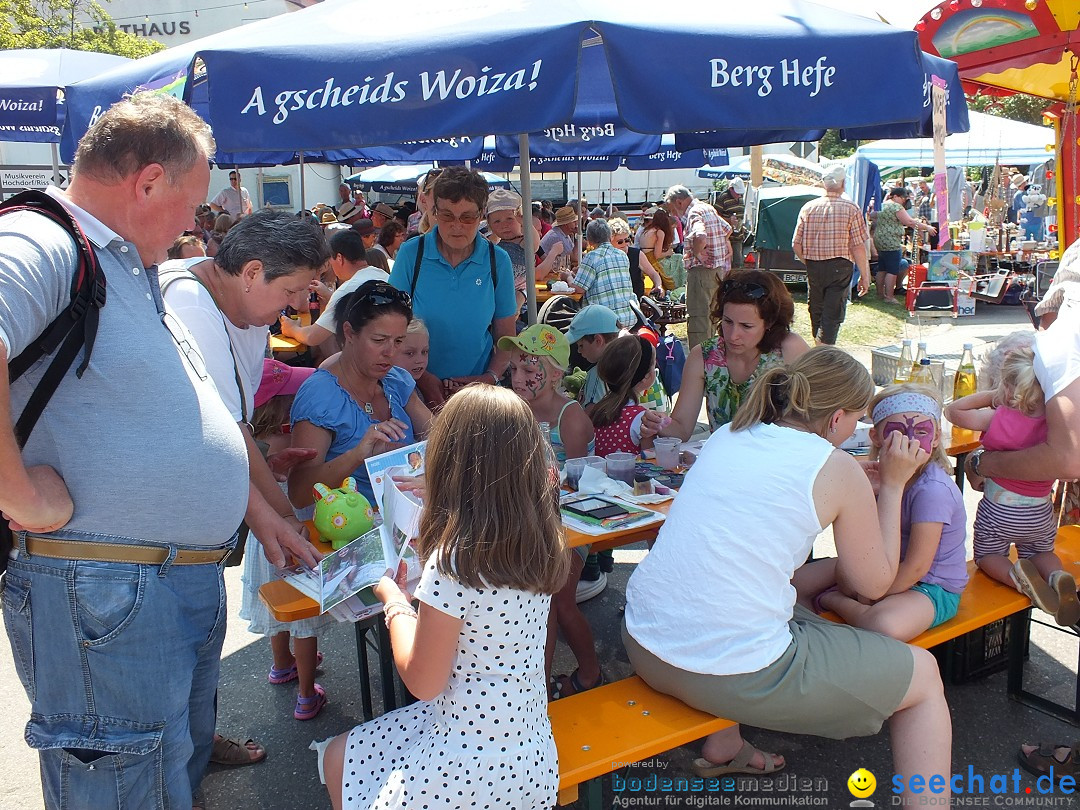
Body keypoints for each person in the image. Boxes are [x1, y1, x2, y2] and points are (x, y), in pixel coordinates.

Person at [0, 94, 261, 809]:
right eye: (192, 204)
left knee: (163, 780)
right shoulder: (47, 238)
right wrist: (19, 493)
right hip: (105, 590)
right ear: (147, 182)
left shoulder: (127, 260)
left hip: (157, 584)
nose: (195, 223)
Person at [623, 347, 949, 796]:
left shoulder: (729, 434)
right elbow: (872, 585)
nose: (857, 429)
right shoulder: (836, 468)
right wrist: (892, 486)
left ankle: (724, 744)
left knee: (753, 593)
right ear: (836, 419)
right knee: (926, 677)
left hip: (643, 640)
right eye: (856, 418)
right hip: (723, 672)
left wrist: (851, 479)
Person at [317, 385, 568, 810]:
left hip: (463, 767)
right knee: (343, 755)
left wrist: (394, 600)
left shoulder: (453, 561)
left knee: (338, 759)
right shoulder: (539, 543)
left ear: (447, 464)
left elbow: (422, 681)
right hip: (533, 759)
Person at [797, 384, 968, 641]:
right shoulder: (878, 477)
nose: (909, 441)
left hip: (931, 586)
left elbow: (916, 568)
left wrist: (868, 594)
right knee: (793, 584)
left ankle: (832, 601)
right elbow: (860, 544)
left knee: (884, 625)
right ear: (876, 437)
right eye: (897, 432)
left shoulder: (933, 491)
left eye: (921, 431)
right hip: (883, 565)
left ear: (935, 438)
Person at [946, 344, 1079, 626]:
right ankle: (1057, 577)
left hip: (1000, 512)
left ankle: (1016, 578)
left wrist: (992, 397)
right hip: (1040, 516)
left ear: (1008, 389)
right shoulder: (1054, 430)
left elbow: (953, 412)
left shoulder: (997, 419)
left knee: (988, 554)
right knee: (1042, 552)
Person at [238, 359, 331, 721]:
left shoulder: (255, 447)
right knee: (303, 625)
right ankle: (307, 695)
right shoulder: (294, 438)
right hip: (297, 539)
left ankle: (281, 665)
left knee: (277, 610)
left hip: (265, 548)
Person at [288, 281, 434, 508]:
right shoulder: (320, 396)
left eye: (398, 341)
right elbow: (299, 493)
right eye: (378, 340)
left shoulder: (396, 381)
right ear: (349, 333)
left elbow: (436, 435)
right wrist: (358, 455)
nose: (390, 352)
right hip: (348, 529)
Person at [388, 167, 517, 392]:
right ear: (434, 211)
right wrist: (423, 379)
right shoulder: (411, 254)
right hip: (413, 387)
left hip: (475, 391)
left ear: (481, 214)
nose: (457, 226)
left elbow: (505, 336)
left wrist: (489, 377)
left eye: (467, 217)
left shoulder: (498, 261)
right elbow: (389, 328)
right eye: (447, 215)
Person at [660, 271, 808, 439]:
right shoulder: (704, 355)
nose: (732, 335)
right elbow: (681, 429)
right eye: (728, 321)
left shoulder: (789, 350)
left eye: (746, 326)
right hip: (724, 461)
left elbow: (815, 420)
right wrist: (656, 423)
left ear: (770, 323)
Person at [792, 165, 871, 345]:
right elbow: (858, 246)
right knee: (833, 311)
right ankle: (824, 352)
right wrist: (865, 277)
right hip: (840, 265)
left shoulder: (808, 207)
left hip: (814, 264)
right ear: (843, 183)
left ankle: (818, 347)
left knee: (816, 308)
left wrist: (809, 261)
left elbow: (795, 244)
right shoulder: (851, 208)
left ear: (823, 184)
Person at [279, 228, 389, 351]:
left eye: (331, 261)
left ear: (339, 258)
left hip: (369, 355)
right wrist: (330, 297)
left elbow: (312, 337)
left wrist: (292, 329)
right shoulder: (383, 275)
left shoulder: (347, 289)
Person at [499, 324, 594, 464]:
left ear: (556, 374)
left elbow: (578, 478)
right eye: (513, 368)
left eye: (528, 371)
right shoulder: (514, 411)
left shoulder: (571, 419)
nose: (517, 378)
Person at [664, 184, 731, 349]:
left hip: (701, 273)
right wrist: (720, 249)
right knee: (711, 318)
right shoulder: (707, 207)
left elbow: (700, 236)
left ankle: (699, 361)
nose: (673, 214)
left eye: (672, 209)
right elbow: (727, 229)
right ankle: (710, 358)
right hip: (717, 272)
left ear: (679, 202)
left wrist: (697, 253)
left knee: (698, 319)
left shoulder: (694, 212)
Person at [590, 335, 666, 456]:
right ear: (646, 376)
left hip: (600, 474)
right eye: (653, 364)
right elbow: (651, 462)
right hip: (631, 475)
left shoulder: (597, 411)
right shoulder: (644, 420)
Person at [563, 218, 636, 328]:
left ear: (589, 240)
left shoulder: (592, 257)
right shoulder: (622, 255)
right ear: (610, 236)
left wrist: (568, 277)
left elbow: (579, 289)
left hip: (605, 321)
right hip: (629, 317)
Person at [872, 187, 937, 304]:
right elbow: (910, 222)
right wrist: (927, 227)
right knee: (892, 270)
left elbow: (873, 216)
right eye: (903, 198)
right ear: (895, 196)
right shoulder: (896, 207)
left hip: (879, 239)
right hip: (891, 241)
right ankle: (889, 297)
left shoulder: (882, 205)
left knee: (882, 268)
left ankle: (880, 294)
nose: (903, 201)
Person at [397, 317, 445, 412]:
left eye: (425, 352)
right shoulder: (389, 391)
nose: (420, 360)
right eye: (410, 353)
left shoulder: (419, 388)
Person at [637, 207, 678, 291]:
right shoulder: (659, 232)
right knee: (678, 259)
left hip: (642, 257)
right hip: (651, 260)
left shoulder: (646, 230)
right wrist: (669, 253)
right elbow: (657, 255)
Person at [714, 178, 746, 268]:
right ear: (731, 189)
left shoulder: (740, 198)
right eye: (737, 192)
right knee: (725, 264)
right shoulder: (722, 198)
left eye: (740, 193)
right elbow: (715, 216)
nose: (739, 195)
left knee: (738, 263)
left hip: (738, 235)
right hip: (726, 237)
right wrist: (728, 220)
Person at [540, 205, 580, 272]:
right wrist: (578, 236)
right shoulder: (557, 236)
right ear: (566, 224)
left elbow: (573, 252)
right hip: (549, 272)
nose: (576, 224)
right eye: (574, 222)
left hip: (553, 270)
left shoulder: (562, 233)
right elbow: (574, 258)